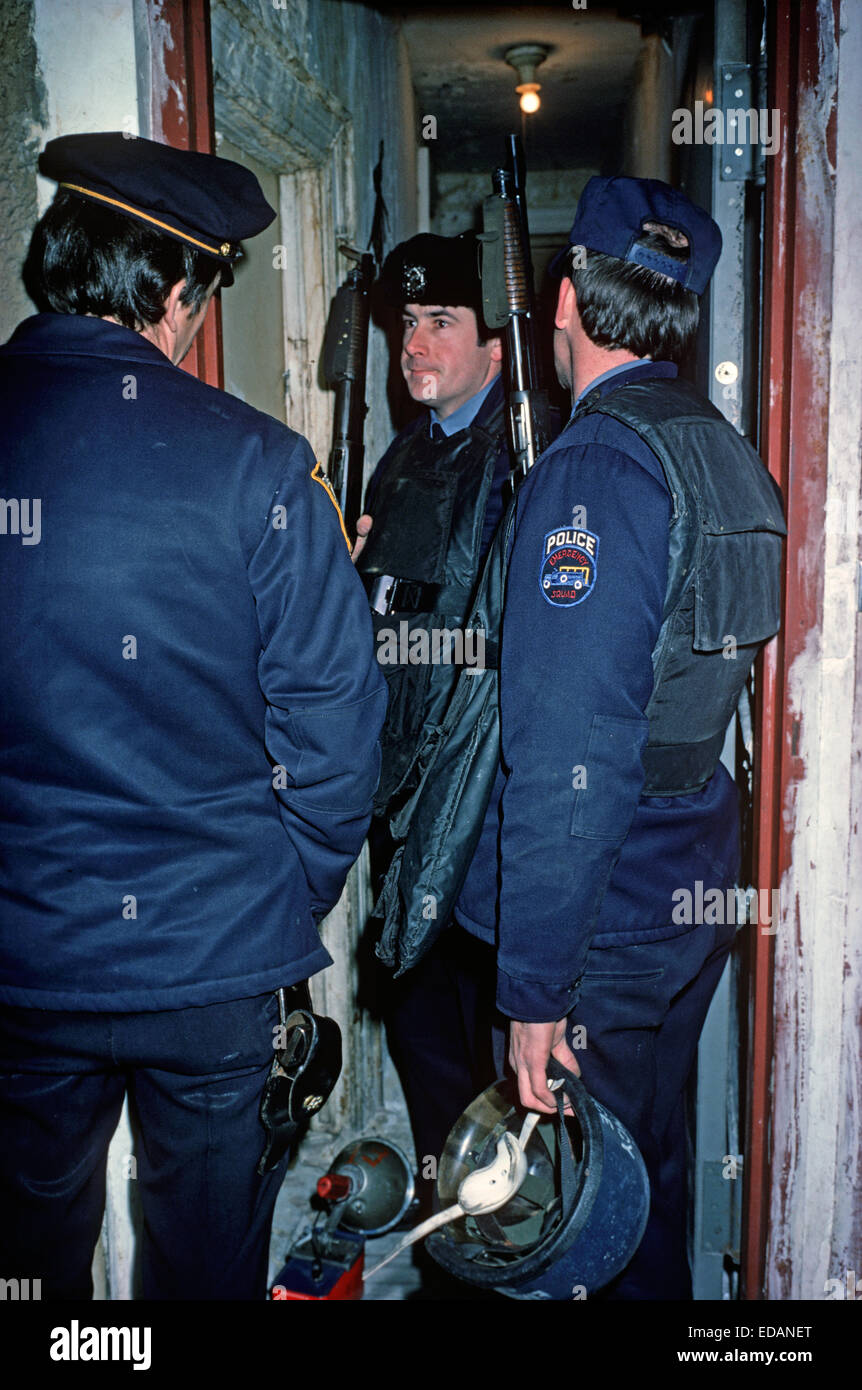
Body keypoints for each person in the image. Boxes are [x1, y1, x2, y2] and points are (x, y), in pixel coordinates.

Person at [0, 132, 387, 1301]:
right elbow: (336, 732)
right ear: (174, 292)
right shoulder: (259, 466)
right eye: (202, 297)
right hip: (213, 964)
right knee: (203, 1268)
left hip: (21, 957)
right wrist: (275, 895)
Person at [450, 176, 786, 1299]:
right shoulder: (725, 449)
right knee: (649, 1181)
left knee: (588, 1225)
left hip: (609, 903)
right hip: (691, 878)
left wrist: (534, 990)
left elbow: (566, 754)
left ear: (562, 298)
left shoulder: (595, 467)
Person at [353, 233, 516, 1214]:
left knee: (493, 1079)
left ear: (495, 346)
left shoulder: (528, 463)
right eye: (406, 323)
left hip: (483, 818)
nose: (415, 344)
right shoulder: (403, 456)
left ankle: (496, 1245)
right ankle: (448, 1240)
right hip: (403, 806)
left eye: (440, 322)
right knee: (424, 1055)